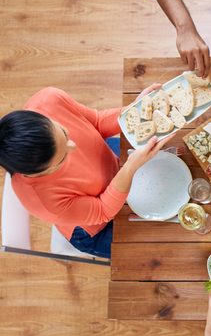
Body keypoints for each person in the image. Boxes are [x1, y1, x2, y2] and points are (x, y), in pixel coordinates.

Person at [0, 86, 170, 258]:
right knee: (156, 250)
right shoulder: (44, 202)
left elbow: (95, 122)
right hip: (97, 228)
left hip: (111, 163)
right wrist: (130, 168)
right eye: (62, 159)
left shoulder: (49, 100)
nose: (73, 146)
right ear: (36, 174)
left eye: (65, 134)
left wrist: (132, 112)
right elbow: (103, 210)